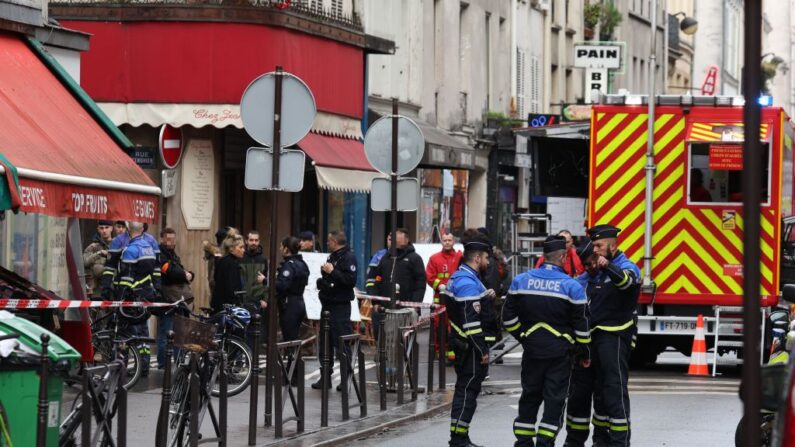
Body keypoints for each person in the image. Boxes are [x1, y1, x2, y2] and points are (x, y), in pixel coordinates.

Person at [502, 235, 591, 447]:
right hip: (560, 355)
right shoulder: (572, 287)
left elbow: (508, 318)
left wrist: (523, 336)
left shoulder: (520, 281)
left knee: (530, 396)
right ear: (562, 257)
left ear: (544, 256)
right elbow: (582, 327)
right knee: (555, 400)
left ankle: (523, 441)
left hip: (532, 352)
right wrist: (584, 353)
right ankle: (544, 441)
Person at [584, 224, 641, 446]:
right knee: (599, 393)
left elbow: (626, 282)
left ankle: (619, 441)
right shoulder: (598, 271)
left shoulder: (628, 266)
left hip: (615, 338)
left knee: (614, 390)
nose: (595, 249)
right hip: (596, 338)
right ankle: (600, 440)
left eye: (599, 245)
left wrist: (608, 267)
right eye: (594, 245)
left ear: (613, 245)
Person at [443, 229, 494, 447]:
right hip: (470, 348)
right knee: (467, 392)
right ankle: (458, 438)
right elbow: (471, 322)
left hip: (464, 344)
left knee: (465, 391)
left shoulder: (464, 277)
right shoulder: (467, 282)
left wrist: (486, 296)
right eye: (486, 257)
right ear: (477, 258)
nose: (488, 261)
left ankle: (460, 436)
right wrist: (482, 350)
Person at [564, 241, 609, 447]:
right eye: (586, 264)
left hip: (602, 348)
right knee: (578, 399)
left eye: (593, 263)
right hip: (581, 351)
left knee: (602, 399)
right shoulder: (578, 283)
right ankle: (574, 441)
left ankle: (601, 440)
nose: (591, 268)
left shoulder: (610, 278)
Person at [312, 230, 357, 390]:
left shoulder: (348, 257)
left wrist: (333, 272)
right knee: (325, 342)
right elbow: (330, 279)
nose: (327, 243)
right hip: (327, 304)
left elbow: (350, 281)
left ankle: (345, 380)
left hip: (340, 306)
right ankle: (325, 377)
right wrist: (323, 278)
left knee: (342, 342)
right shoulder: (332, 257)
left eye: (329, 241)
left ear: (335, 241)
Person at [113, 222, 159, 374]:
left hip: (132, 297)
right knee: (143, 332)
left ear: (128, 230)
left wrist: (120, 297)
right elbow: (153, 272)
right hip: (146, 295)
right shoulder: (148, 248)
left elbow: (127, 277)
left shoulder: (131, 250)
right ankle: (144, 367)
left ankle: (121, 366)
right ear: (142, 230)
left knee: (125, 333)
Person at [158, 227, 194, 368]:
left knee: (179, 332)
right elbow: (170, 272)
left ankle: (178, 361)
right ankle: (162, 364)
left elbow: (179, 270)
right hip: (167, 299)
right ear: (162, 239)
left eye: (173, 240)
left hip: (177, 299)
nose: (171, 242)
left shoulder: (173, 254)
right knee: (166, 332)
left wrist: (188, 273)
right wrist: (185, 274)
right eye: (168, 239)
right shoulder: (160, 254)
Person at [426, 233, 462, 361]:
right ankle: (439, 351)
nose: (447, 242)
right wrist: (441, 286)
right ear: (441, 242)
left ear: (453, 242)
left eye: (449, 240)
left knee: (455, 326)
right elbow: (429, 277)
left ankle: (453, 352)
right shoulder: (434, 258)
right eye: (445, 240)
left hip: (456, 298)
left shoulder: (459, 257)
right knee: (439, 326)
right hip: (440, 300)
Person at [367, 228, 426, 303]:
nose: (395, 241)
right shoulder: (385, 258)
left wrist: (414, 304)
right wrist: (375, 302)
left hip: (407, 308)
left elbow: (420, 285)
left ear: (407, 240)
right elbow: (377, 280)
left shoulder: (415, 258)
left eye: (399, 239)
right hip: (384, 307)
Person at [274, 236, 309, 343]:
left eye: (281, 246)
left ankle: (295, 360)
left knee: (290, 338)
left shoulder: (289, 265)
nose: (280, 249)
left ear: (286, 249)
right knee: (294, 336)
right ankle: (295, 359)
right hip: (300, 302)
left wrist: (267, 281)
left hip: (290, 304)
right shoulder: (303, 264)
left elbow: (283, 285)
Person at [211, 235, 246, 313]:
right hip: (227, 308)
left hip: (220, 305)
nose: (243, 250)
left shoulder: (223, 260)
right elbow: (231, 289)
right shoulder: (231, 263)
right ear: (232, 249)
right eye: (241, 247)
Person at [83, 220, 113, 298]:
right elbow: (85, 262)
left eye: (107, 228)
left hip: (113, 287)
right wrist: (99, 253)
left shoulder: (117, 245)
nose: (104, 230)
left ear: (111, 229)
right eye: (101, 228)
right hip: (97, 290)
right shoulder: (93, 247)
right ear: (98, 229)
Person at [241, 230, 268, 311]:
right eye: (251, 240)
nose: (254, 243)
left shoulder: (263, 259)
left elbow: (266, 280)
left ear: (259, 241)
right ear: (246, 241)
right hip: (242, 299)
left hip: (258, 301)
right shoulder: (240, 258)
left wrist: (265, 299)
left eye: (256, 240)